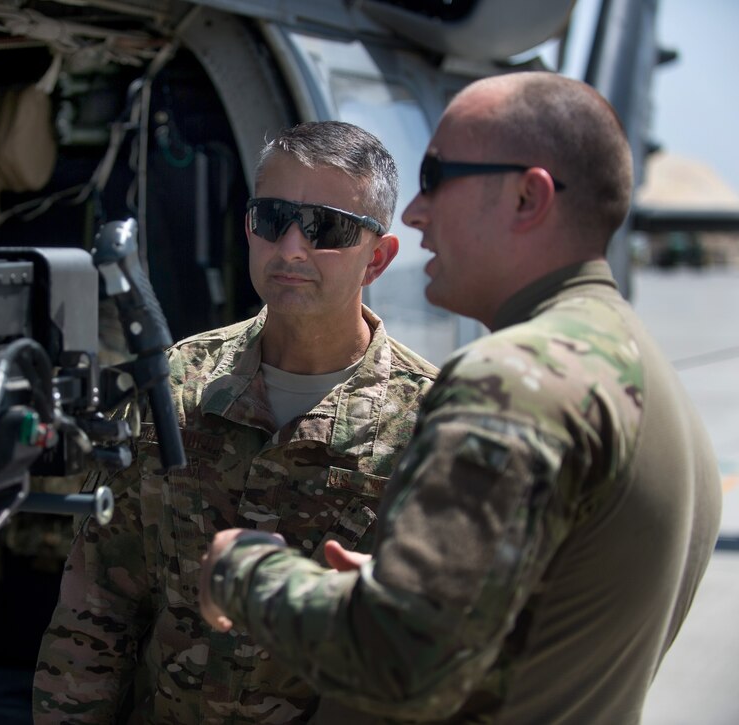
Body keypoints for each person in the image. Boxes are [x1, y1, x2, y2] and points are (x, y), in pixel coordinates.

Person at [199, 71, 723, 724]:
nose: (417, 212)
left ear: (529, 198)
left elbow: (400, 661)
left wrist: (244, 567)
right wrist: (404, 591)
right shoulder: (629, 359)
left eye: (440, 177)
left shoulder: (516, 376)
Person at [33, 120, 438, 722]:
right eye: (273, 219)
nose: (293, 248)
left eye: (326, 227)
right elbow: (100, 598)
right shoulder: (176, 382)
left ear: (376, 258)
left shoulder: (428, 423)